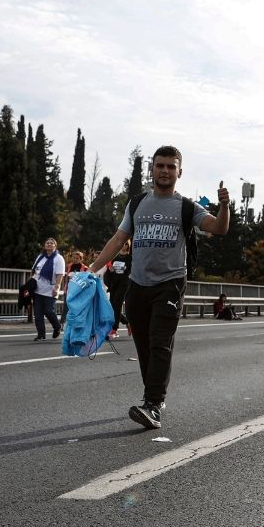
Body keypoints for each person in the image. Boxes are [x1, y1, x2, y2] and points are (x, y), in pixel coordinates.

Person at [87, 146, 230, 430]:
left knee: (159, 341)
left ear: (179, 172)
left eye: (170, 167)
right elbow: (118, 239)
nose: (165, 171)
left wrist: (224, 206)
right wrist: (92, 269)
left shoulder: (186, 207)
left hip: (170, 283)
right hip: (137, 283)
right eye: (160, 165)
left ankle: (152, 404)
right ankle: (154, 397)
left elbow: (219, 228)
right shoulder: (137, 203)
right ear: (152, 169)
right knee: (143, 346)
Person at [29, 238, 65, 341]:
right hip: (37, 289)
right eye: (47, 243)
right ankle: (41, 335)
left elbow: (60, 274)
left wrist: (57, 287)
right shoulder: (40, 257)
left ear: (55, 246)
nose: (49, 244)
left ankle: (57, 326)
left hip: (51, 289)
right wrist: (29, 284)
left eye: (51, 243)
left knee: (48, 311)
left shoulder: (59, 258)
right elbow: (33, 271)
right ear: (44, 245)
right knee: (38, 314)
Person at [103, 240, 133, 338]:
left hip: (124, 285)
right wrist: (110, 270)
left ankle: (114, 329)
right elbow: (108, 269)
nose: (123, 245)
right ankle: (127, 322)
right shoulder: (114, 257)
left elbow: (131, 271)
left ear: (128, 246)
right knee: (113, 307)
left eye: (125, 244)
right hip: (113, 285)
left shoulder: (130, 258)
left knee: (117, 305)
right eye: (122, 243)